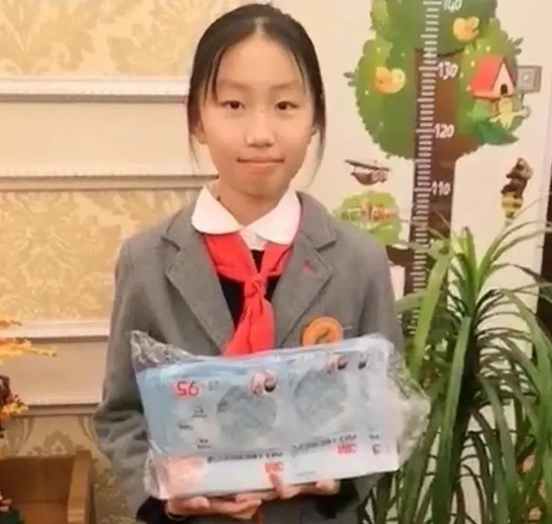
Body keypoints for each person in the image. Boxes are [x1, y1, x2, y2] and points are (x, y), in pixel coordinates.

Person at [94, 3, 402, 524]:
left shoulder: (359, 261)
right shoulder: (146, 260)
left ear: (315, 118)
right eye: (234, 104)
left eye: (285, 105)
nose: (260, 132)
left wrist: (341, 479)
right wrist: (164, 498)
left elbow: (384, 409)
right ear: (198, 118)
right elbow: (121, 414)